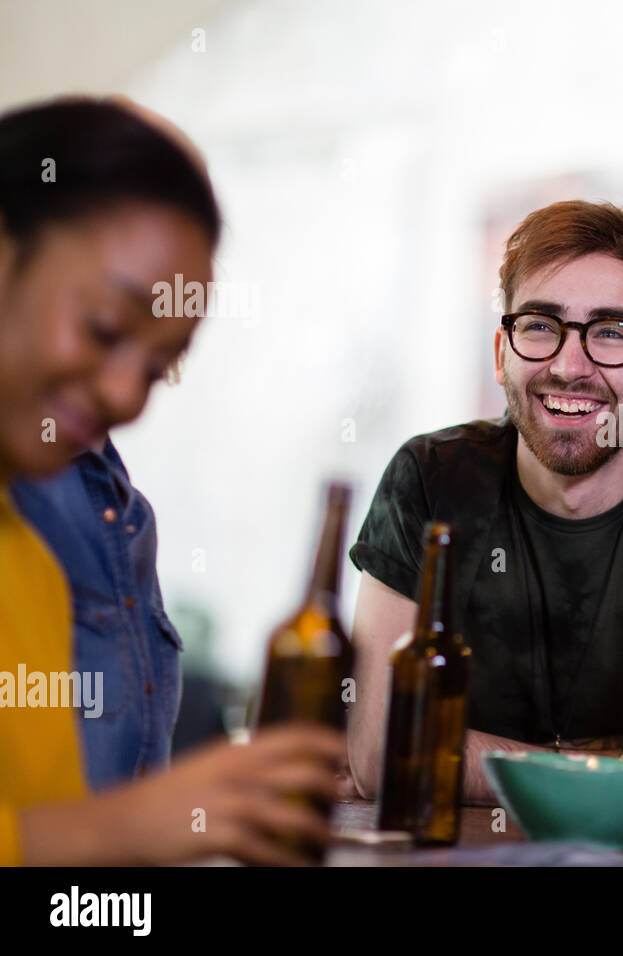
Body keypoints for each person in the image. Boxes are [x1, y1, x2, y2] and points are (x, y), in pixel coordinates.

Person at [0, 96, 342, 865]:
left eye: (159, 367)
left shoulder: (29, 566)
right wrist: (128, 827)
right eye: (105, 329)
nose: (127, 398)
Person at [349, 200, 623, 801]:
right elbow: (381, 756)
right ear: (501, 352)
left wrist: (455, 756)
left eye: (612, 333)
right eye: (541, 325)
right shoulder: (430, 479)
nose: (570, 367)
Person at [10, 434, 183, 791]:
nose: (124, 394)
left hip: (126, 841)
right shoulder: (23, 496)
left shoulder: (134, 515)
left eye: (151, 376)